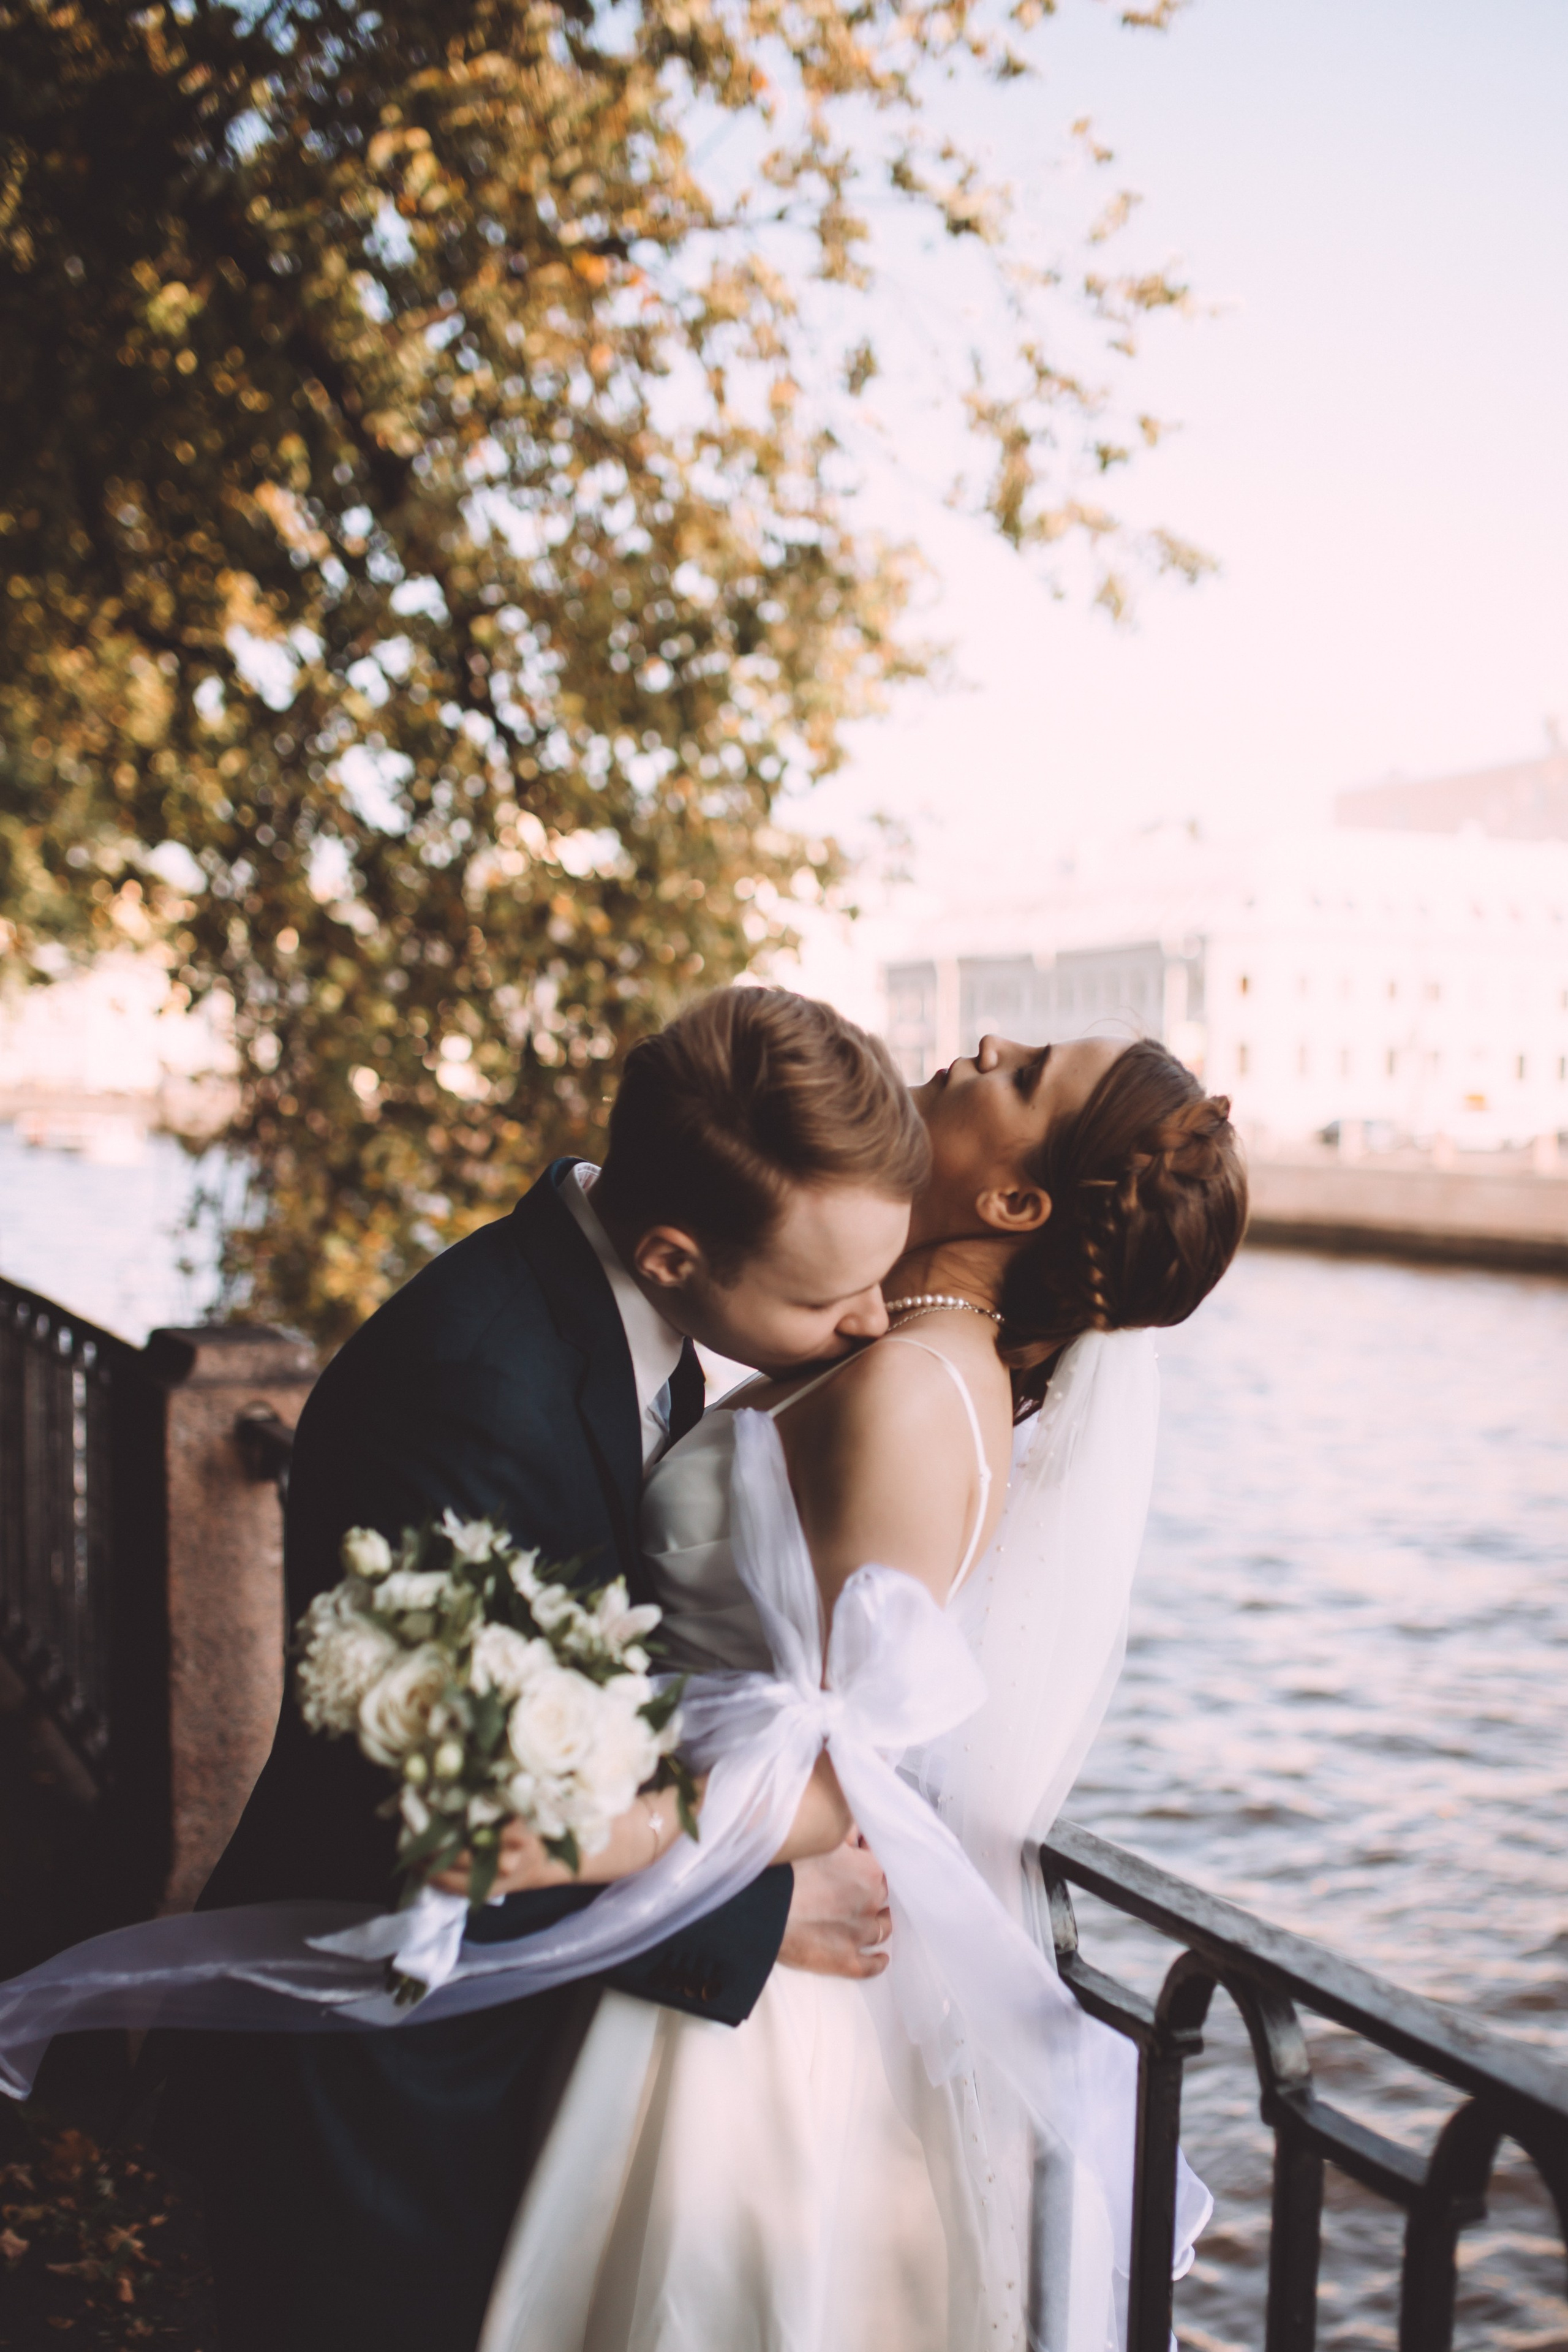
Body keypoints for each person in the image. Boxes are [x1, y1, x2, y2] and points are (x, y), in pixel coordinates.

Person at [161, 987, 931, 2352]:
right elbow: (432, 1811)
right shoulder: (471, 1387)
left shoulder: (616, 1317)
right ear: (674, 1254)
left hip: (474, 2054)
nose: (874, 1324)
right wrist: (763, 1913)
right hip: (377, 2085)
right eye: (831, 1295)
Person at [478, 1031, 1247, 2352]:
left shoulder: (907, 1390)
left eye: (1021, 1074)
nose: (983, 1045)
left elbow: (833, 1775)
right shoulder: (906, 1354)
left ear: (1013, 1203)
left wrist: (555, 1840)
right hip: (718, 1926)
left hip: (752, 1997)